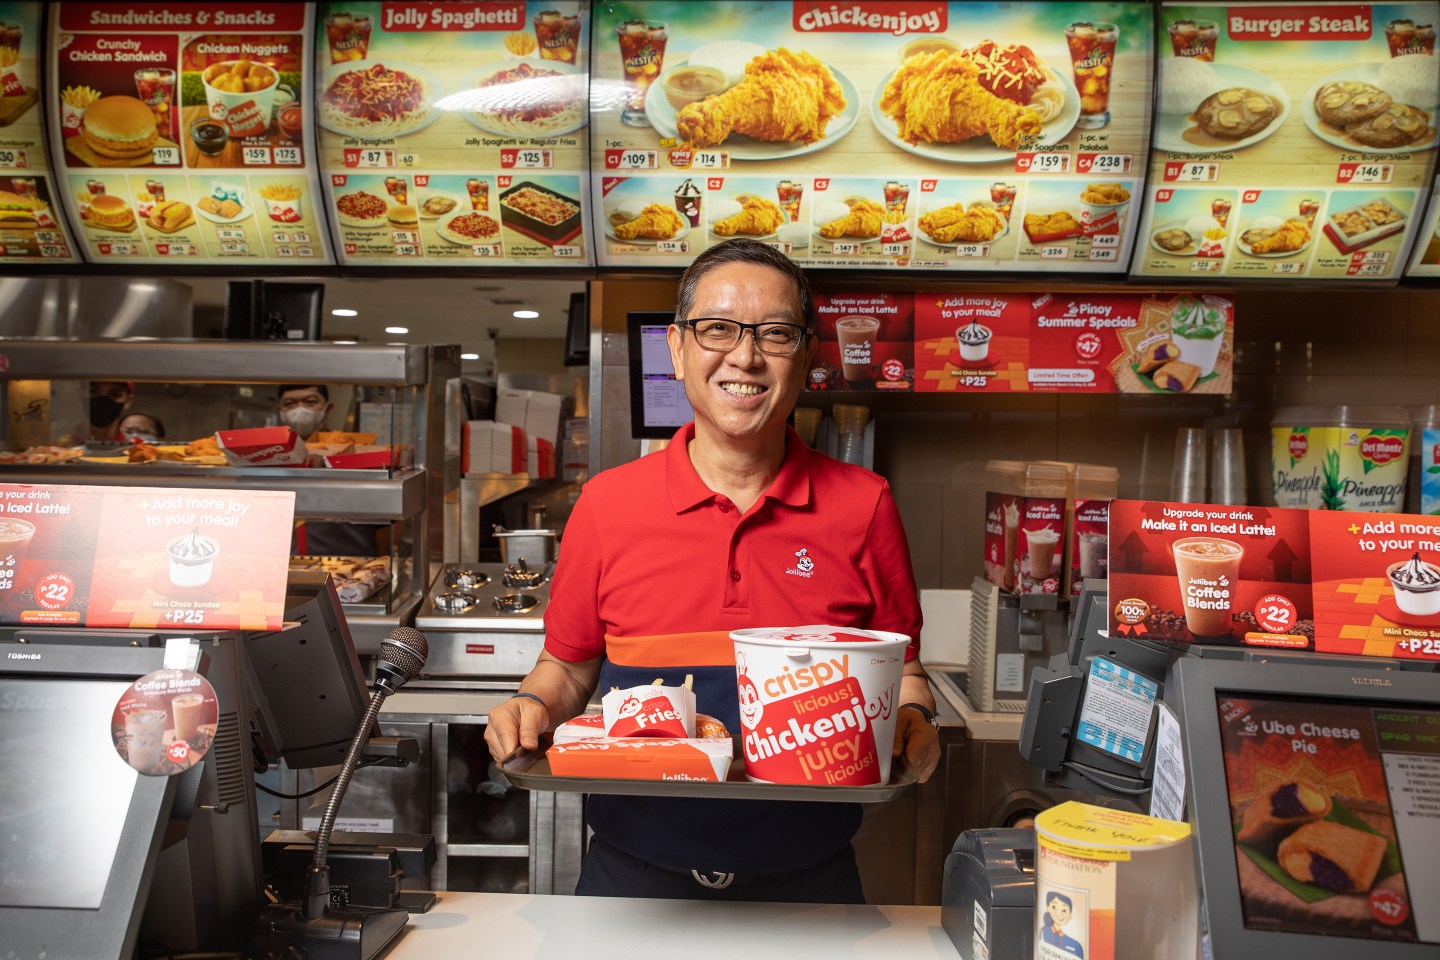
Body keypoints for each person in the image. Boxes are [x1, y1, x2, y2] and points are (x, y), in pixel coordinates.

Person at [485, 238, 939, 903]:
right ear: (676, 348)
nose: (745, 357)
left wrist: (914, 722)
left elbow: (903, 669)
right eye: (718, 330)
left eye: (775, 334)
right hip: (629, 883)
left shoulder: (864, 504)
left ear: (806, 355)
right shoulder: (608, 504)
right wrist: (529, 708)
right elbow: (569, 667)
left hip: (811, 884)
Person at [1042, 891, 1084, 958]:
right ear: (1048, 908)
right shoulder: (1043, 932)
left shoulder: (1075, 946)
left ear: (1070, 915)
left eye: (1064, 910)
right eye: (1054, 907)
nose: (1059, 913)